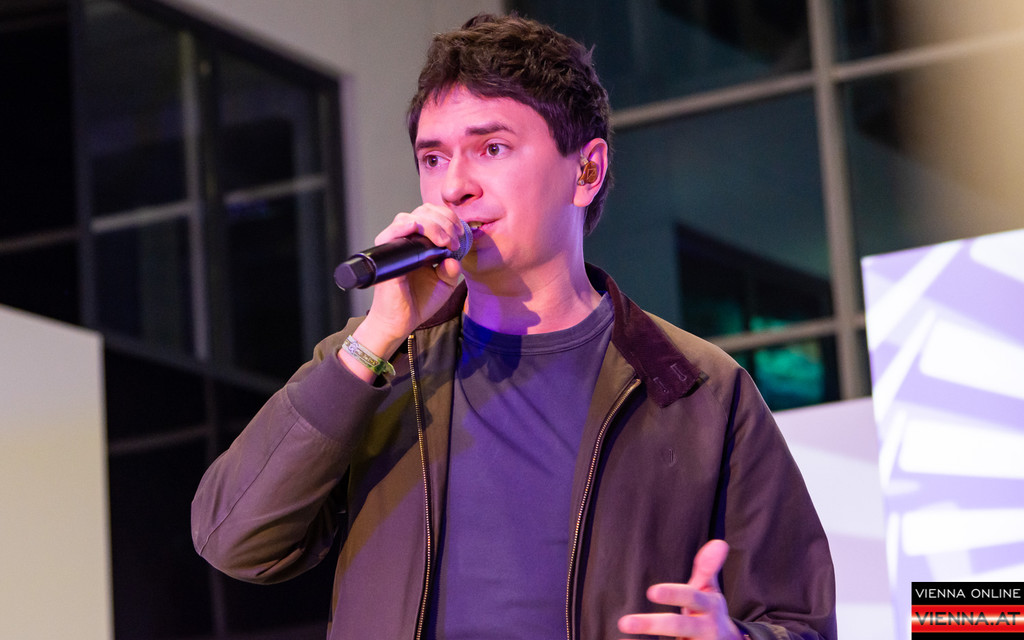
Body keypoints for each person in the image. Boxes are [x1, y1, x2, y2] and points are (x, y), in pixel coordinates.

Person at [191, 13, 837, 640]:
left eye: (491, 148)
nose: (454, 187)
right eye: (433, 158)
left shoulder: (695, 389)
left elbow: (801, 622)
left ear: (586, 171)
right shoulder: (379, 362)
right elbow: (233, 539)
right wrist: (376, 337)